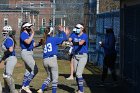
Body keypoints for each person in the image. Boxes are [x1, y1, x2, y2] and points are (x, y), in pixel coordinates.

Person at [37, 26, 67, 93]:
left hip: (45, 60)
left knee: (49, 77)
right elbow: (64, 38)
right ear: (51, 32)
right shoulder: (53, 39)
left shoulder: (43, 40)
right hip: (52, 59)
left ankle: (41, 89)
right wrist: (62, 31)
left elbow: (38, 44)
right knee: (55, 78)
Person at [20, 22, 42, 93]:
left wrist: (40, 44)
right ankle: (25, 86)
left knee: (28, 71)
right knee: (35, 69)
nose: (31, 28)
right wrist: (33, 34)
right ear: (25, 28)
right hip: (26, 53)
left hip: (29, 53)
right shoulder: (23, 34)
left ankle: (22, 88)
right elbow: (28, 42)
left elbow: (33, 44)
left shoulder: (28, 34)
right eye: (29, 27)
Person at [69, 23, 88, 93]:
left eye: (78, 28)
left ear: (82, 28)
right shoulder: (74, 34)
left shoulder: (84, 35)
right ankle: (79, 89)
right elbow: (69, 39)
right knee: (76, 74)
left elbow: (81, 43)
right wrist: (72, 33)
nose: (76, 29)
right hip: (75, 55)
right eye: (76, 28)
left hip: (83, 56)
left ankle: (81, 91)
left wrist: (73, 43)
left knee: (78, 74)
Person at [0, 25, 18, 93]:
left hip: (11, 58)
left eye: (4, 31)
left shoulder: (8, 39)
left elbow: (10, 50)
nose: (3, 33)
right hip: (7, 59)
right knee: (5, 77)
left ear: (7, 32)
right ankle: (7, 91)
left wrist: (3, 54)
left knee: (7, 76)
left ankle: (14, 91)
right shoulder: (6, 39)